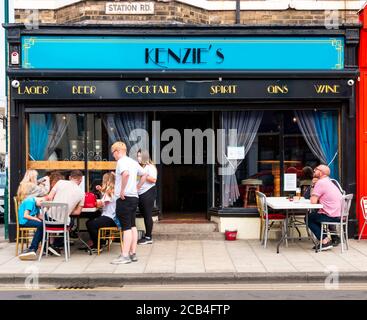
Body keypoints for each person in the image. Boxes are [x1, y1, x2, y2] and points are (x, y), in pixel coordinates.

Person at [110, 141, 147, 265]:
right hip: (134, 198)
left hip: (124, 199)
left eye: (113, 153)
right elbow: (144, 174)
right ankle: (133, 253)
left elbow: (125, 174)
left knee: (125, 228)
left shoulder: (121, 162)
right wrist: (137, 187)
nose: (113, 156)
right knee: (132, 226)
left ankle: (125, 256)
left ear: (118, 151)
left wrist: (122, 190)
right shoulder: (133, 162)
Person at [306, 164, 343, 251]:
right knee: (315, 216)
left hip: (331, 215)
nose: (314, 170)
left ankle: (325, 241)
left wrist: (313, 186)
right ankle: (325, 239)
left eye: (316, 169)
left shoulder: (321, 182)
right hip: (338, 215)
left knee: (309, 218)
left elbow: (313, 201)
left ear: (321, 173)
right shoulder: (328, 181)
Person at [47, 170, 85, 249]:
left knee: (42, 223)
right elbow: (78, 212)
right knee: (70, 222)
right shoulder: (82, 193)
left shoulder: (60, 182)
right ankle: (56, 245)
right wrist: (67, 210)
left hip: (49, 219)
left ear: (70, 177)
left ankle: (40, 246)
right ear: (81, 180)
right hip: (63, 223)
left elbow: (49, 198)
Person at [86, 172, 119, 253]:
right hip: (114, 218)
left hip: (110, 218)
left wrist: (89, 202)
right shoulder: (114, 190)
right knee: (92, 220)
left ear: (106, 181)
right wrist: (101, 190)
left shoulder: (109, 191)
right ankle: (101, 242)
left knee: (90, 224)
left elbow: (100, 204)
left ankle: (97, 245)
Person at [137, 149, 157, 245]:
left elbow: (153, 180)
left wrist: (143, 175)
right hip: (140, 193)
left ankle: (149, 237)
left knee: (147, 215)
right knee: (145, 215)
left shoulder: (150, 167)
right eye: (138, 156)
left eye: (140, 156)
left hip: (148, 192)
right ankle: (147, 235)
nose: (139, 158)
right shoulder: (140, 167)